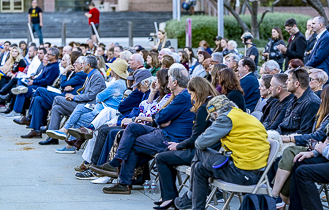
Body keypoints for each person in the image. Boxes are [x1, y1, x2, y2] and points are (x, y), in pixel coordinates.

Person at [101, 64, 195, 194]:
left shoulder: (182, 96)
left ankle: (123, 179)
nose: (167, 82)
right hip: (163, 131)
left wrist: (160, 120)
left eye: (169, 79)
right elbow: (159, 116)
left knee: (131, 143)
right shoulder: (179, 95)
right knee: (133, 127)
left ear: (175, 82)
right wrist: (160, 119)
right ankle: (119, 163)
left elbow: (161, 116)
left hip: (170, 137)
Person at [190, 95, 270, 210]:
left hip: (243, 173)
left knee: (199, 151)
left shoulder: (226, 119)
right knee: (199, 168)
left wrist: (214, 126)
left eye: (213, 118)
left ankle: (189, 196)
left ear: (216, 114)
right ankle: (195, 206)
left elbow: (200, 143)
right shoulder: (244, 116)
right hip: (257, 173)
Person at [154, 77, 219, 209]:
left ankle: (169, 196)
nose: (191, 99)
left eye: (191, 94)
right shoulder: (211, 104)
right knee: (166, 153)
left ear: (198, 91)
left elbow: (196, 138)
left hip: (202, 153)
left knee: (161, 157)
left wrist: (178, 145)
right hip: (211, 150)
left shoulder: (203, 109)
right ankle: (168, 196)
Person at [271, 84, 329, 204]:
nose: (320, 100)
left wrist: (291, 138)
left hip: (320, 150)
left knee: (291, 155)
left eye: (323, 97)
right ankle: (282, 198)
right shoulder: (325, 114)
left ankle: (276, 195)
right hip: (315, 146)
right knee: (287, 158)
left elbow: (318, 136)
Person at [276, 68, 321, 135]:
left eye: (289, 80)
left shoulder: (312, 102)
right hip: (282, 136)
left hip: (293, 141)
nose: (286, 82)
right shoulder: (293, 99)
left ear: (297, 84)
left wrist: (284, 138)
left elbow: (304, 132)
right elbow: (284, 124)